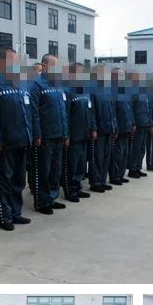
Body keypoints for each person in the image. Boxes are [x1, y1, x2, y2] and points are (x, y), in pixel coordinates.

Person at [0, 48, 32, 231]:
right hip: (4, 143)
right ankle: (4, 216)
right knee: (3, 180)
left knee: (19, 180)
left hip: (21, 140)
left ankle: (15, 212)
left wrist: (30, 135)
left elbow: (27, 112)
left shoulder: (21, 84)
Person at [29, 53, 69, 215]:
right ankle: (41, 201)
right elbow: (34, 112)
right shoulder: (37, 85)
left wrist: (66, 133)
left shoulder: (58, 85)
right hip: (45, 136)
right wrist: (37, 134)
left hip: (59, 134)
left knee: (55, 170)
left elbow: (63, 111)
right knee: (43, 170)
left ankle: (52, 197)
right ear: (44, 67)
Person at [63, 62, 94, 201]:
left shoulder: (85, 90)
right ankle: (70, 190)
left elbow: (90, 111)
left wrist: (92, 128)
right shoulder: (68, 90)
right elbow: (66, 115)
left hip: (84, 134)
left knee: (81, 164)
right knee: (72, 165)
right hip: (74, 135)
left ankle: (77, 187)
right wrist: (67, 135)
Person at [89, 64, 117, 192]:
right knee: (97, 158)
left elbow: (112, 110)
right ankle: (95, 182)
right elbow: (91, 112)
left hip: (109, 128)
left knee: (106, 157)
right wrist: (94, 128)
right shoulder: (91, 90)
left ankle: (102, 180)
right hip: (99, 130)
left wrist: (114, 127)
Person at [109, 67, 134, 186]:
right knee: (117, 154)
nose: (122, 78)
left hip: (127, 127)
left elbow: (130, 109)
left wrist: (132, 123)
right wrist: (115, 129)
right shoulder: (111, 92)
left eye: (123, 75)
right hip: (119, 129)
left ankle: (121, 175)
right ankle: (115, 176)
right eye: (120, 76)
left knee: (125, 153)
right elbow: (113, 112)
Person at [128, 74, 153, 178]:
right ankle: (132, 169)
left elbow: (148, 109)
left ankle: (138, 167)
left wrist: (150, 123)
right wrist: (133, 123)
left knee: (142, 147)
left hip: (145, 124)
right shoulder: (132, 93)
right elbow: (130, 109)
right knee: (136, 147)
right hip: (138, 124)